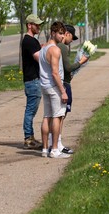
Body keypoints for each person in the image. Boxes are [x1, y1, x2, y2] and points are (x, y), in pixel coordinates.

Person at [47, 24, 88, 154]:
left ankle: (52, 143)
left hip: (55, 83)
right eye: (72, 38)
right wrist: (81, 62)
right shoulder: (62, 48)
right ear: (67, 34)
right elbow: (68, 67)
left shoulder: (53, 47)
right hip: (64, 84)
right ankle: (57, 144)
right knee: (60, 116)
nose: (71, 41)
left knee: (54, 115)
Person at [39, 21, 70, 158]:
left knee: (47, 116)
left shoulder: (43, 48)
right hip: (53, 86)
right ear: (53, 33)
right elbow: (55, 73)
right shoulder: (55, 50)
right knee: (57, 116)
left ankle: (45, 149)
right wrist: (63, 91)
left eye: (63, 33)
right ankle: (55, 149)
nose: (62, 36)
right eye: (60, 33)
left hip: (44, 86)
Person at [22, 14, 44, 149]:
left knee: (31, 110)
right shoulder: (29, 41)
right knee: (30, 111)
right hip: (33, 80)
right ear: (29, 25)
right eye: (36, 25)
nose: (39, 27)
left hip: (33, 80)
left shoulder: (31, 41)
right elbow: (39, 58)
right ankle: (28, 138)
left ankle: (30, 137)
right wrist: (48, 49)